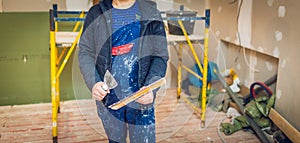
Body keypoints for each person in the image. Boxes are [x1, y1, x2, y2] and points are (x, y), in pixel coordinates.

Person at [78, 0, 169, 142]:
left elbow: (160, 55)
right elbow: (86, 52)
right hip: (109, 96)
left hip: (141, 95)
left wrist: (151, 86)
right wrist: (94, 82)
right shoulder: (96, 13)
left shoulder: (150, 12)